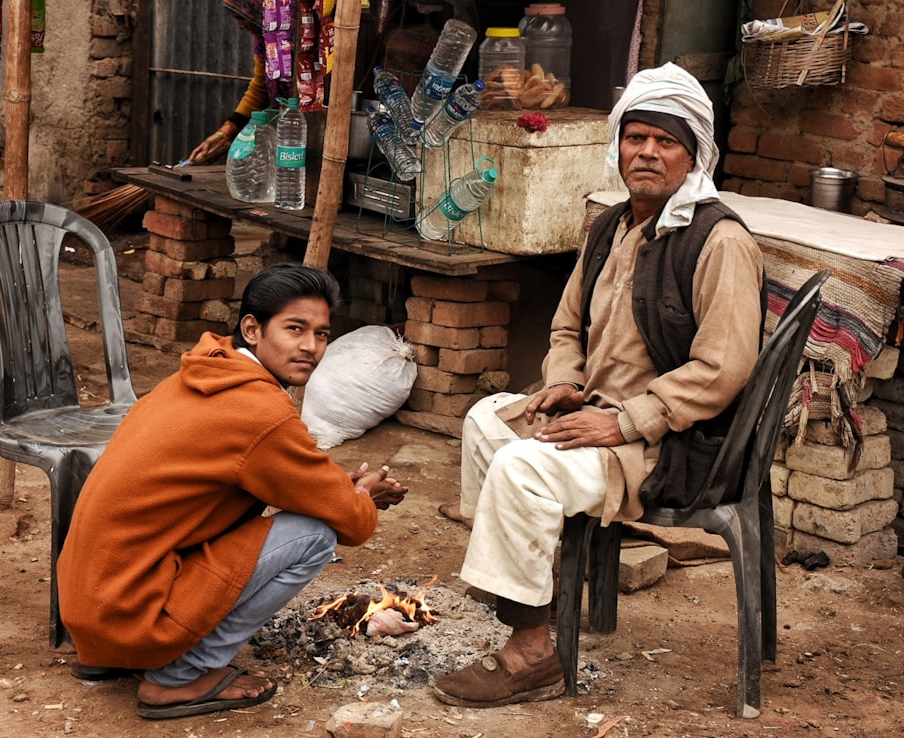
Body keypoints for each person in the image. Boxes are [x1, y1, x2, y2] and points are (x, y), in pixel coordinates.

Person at [432, 62, 766, 708]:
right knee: (485, 423)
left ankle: (531, 654)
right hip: (601, 412)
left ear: (693, 153)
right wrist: (565, 382)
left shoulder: (718, 241)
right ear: (617, 148)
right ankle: (528, 597)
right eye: (635, 138)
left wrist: (623, 422)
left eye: (665, 141)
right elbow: (564, 328)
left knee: (523, 471)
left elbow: (723, 369)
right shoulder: (609, 227)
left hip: (667, 444)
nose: (646, 152)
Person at [56, 263, 408, 720]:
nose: (310, 347)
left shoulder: (202, 372)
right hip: (131, 608)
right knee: (315, 536)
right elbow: (353, 524)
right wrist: (360, 497)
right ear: (252, 329)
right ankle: (178, 679)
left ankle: (113, 658)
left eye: (322, 334)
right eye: (295, 329)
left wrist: (344, 490)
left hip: (92, 605)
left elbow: (267, 477)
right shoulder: (259, 411)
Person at [185, 1, 272, 165]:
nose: (240, 26)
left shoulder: (298, 36)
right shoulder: (263, 43)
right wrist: (226, 132)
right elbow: (260, 89)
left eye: (241, 18)